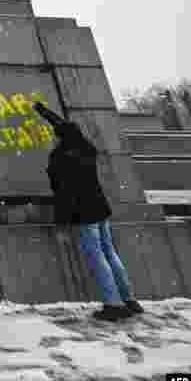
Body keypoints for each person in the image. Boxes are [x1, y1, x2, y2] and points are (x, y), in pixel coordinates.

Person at [34, 102, 143, 321]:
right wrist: (42, 110)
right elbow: (64, 126)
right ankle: (128, 299)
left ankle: (113, 304)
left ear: (60, 138)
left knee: (97, 256)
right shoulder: (86, 148)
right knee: (110, 252)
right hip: (100, 208)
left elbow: (62, 194)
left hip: (84, 213)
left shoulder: (60, 157)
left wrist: (61, 224)